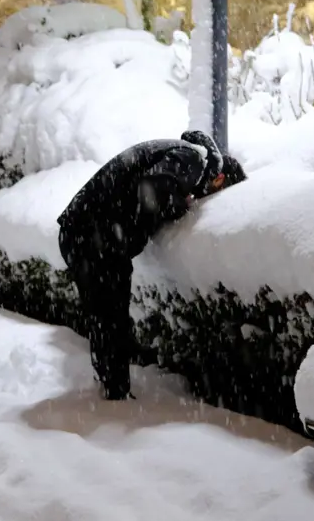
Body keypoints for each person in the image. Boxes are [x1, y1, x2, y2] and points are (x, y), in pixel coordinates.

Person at [57, 130, 246, 401]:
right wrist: (179, 206)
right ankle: (116, 396)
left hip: (83, 231)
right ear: (219, 178)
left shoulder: (180, 152)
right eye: (217, 190)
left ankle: (110, 384)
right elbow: (154, 186)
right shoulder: (192, 159)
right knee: (111, 314)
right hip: (94, 236)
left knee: (104, 314)